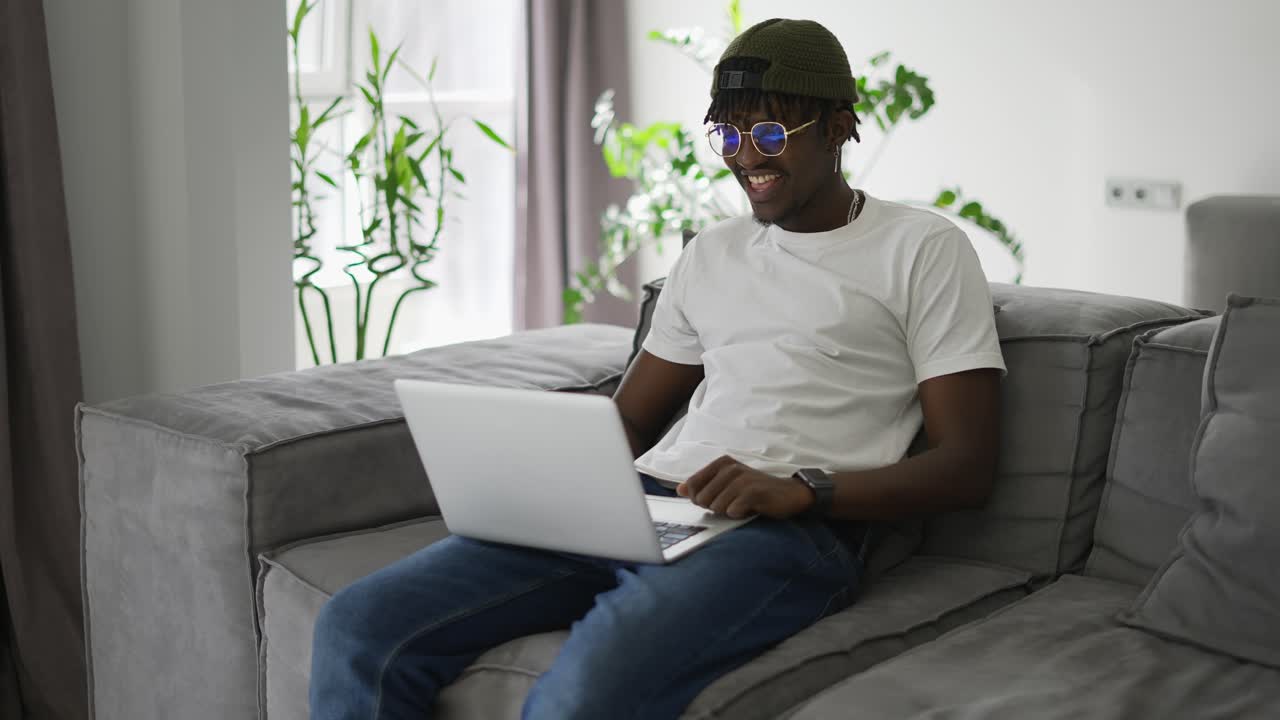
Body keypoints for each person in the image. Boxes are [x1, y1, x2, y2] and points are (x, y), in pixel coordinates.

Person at [309, 17, 1005, 720]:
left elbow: (967, 467)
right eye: (728, 135)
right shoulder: (711, 252)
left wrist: (802, 491)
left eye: (770, 135)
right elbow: (632, 419)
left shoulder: (922, 248)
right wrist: (535, 472)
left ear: (838, 128)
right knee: (358, 623)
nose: (746, 158)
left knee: (583, 693)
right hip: (642, 504)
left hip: (786, 532)